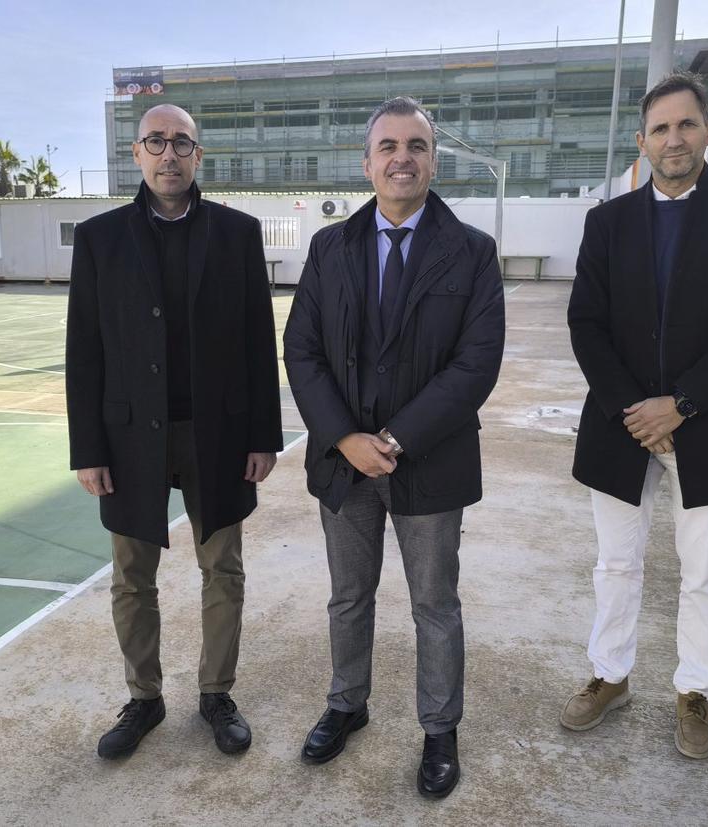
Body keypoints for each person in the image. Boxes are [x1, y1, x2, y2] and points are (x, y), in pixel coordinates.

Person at [283, 96, 505, 798]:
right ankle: (347, 703)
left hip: (429, 462)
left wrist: (397, 437)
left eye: (416, 145)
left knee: (434, 602)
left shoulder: (470, 252)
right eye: (389, 146)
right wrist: (344, 437)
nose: (402, 157)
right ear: (367, 161)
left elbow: (476, 363)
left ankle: (440, 729)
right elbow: (302, 350)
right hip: (345, 465)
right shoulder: (329, 247)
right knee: (348, 596)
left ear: (432, 159)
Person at [562, 71, 708, 759]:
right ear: (642, 142)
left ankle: (695, 690)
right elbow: (586, 321)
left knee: (704, 569)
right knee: (616, 564)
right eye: (660, 128)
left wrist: (680, 404)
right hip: (621, 422)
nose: (674, 139)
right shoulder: (608, 221)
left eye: (686, 124)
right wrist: (636, 410)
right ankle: (610, 674)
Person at [65, 103, 282, 760]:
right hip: (129, 438)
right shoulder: (101, 238)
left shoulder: (238, 234)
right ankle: (144, 697)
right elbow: (85, 349)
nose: (169, 154)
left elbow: (255, 341)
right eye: (155, 142)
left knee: (223, 568)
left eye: (181, 142)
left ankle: (216, 693)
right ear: (136, 154)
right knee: (133, 576)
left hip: (214, 433)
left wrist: (263, 435)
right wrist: (88, 448)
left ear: (198, 155)